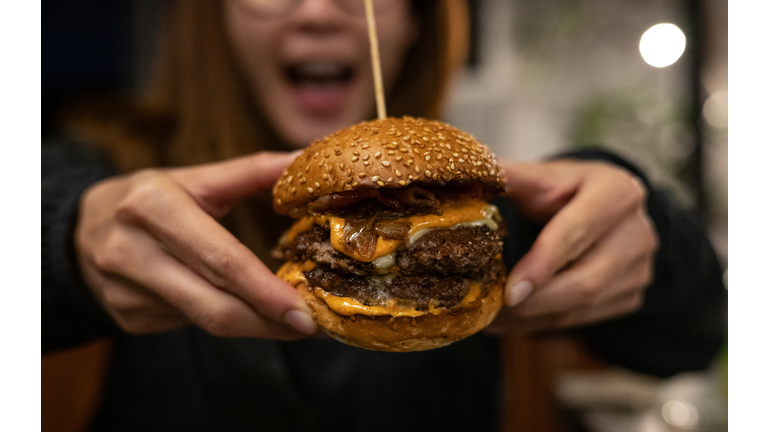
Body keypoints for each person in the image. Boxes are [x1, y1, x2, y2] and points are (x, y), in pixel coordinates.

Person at [42, 1, 726, 431]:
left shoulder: (496, 215)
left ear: (418, 22)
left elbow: (698, 335)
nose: (318, 11)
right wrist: (69, 233)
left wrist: (650, 228)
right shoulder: (113, 171)